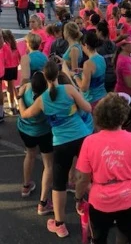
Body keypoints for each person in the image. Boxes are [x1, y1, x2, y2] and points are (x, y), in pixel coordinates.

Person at [18, 60, 92, 238]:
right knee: (88, 174)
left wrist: (20, 97)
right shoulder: (68, 90)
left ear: (45, 76)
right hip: (82, 137)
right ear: (58, 73)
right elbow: (88, 108)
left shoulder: (42, 99)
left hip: (61, 143)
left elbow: (24, 114)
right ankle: (91, 208)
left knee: (58, 184)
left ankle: (60, 225)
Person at [75, 93, 131, 244]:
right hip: (130, 198)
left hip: (101, 201)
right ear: (122, 117)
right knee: (125, 237)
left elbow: (83, 178)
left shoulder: (89, 142)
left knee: (99, 238)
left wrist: (78, 198)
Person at [16, 71, 54, 215]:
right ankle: (43, 203)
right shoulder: (48, 96)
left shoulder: (25, 88)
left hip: (25, 130)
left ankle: (26, 186)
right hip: (43, 131)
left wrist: (20, 96)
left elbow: (21, 108)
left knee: (30, 154)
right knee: (48, 164)